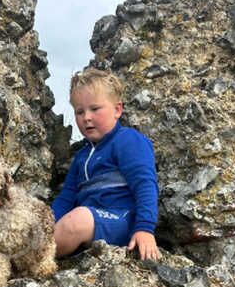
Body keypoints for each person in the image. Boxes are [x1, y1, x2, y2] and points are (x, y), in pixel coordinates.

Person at [52, 68, 160, 261]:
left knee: (77, 220)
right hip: (91, 221)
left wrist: (145, 228)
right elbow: (66, 198)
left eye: (94, 109)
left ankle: (30, 260)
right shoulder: (81, 156)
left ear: (117, 109)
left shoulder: (128, 140)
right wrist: (46, 223)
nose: (86, 117)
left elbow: (145, 185)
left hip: (121, 220)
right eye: (79, 111)